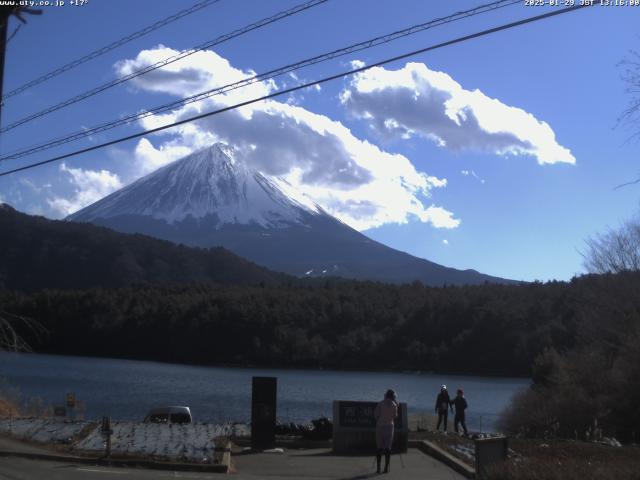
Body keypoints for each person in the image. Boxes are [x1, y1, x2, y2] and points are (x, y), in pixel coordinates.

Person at [374, 389, 398, 474]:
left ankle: (378, 468)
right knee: (388, 448)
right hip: (389, 427)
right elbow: (395, 416)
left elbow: (376, 415)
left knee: (379, 447)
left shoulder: (380, 403)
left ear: (386, 395)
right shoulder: (394, 405)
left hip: (380, 426)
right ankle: (386, 468)